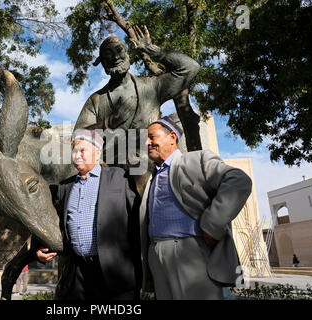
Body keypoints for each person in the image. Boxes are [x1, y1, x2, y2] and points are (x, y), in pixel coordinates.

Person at [74, 26, 200, 194]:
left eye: (119, 50)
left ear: (127, 54)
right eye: (108, 55)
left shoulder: (152, 86)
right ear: (103, 64)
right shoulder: (96, 100)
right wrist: (108, 122)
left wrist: (152, 50)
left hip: (150, 174)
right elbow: (77, 138)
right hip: (109, 176)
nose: (116, 57)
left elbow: (190, 68)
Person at [139, 116, 252, 300]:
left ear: (172, 137)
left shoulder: (197, 160)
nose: (147, 142)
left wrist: (211, 225)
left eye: (152, 137)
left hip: (190, 254)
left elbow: (238, 181)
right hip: (157, 257)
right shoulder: (153, 176)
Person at [37, 129, 142, 300]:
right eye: (74, 151)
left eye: (82, 150)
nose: (77, 155)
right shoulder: (65, 187)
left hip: (115, 273)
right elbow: (55, 224)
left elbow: (137, 221)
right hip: (78, 273)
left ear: (97, 152)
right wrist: (40, 248)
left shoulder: (120, 178)